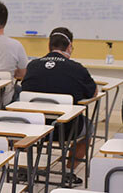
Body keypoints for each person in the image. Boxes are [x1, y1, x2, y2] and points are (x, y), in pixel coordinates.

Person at [21, 27, 96, 185]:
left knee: (19, 123)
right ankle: (68, 172)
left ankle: (23, 168)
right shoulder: (77, 69)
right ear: (69, 47)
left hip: (34, 128)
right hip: (66, 129)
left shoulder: (32, 66)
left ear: (49, 45)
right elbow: (92, 93)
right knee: (89, 126)